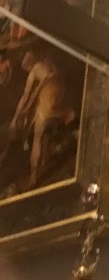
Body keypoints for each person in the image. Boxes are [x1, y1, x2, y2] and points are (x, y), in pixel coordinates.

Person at [10, 48, 73, 187]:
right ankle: (45, 158)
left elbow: (26, 96)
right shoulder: (46, 62)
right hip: (58, 92)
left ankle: (33, 177)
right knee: (43, 123)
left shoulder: (34, 71)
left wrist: (15, 118)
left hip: (48, 96)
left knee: (37, 137)